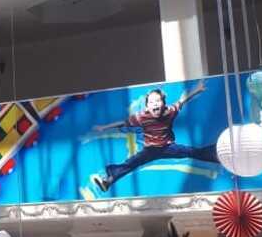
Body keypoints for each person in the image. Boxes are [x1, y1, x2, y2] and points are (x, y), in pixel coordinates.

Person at [90, 82, 219, 193]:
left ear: (163, 103)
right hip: (150, 150)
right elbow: (123, 123)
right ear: (147, 106)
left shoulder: (169, 111)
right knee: (130, 164)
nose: (155, 104)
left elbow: (182, 101)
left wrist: (197, 90)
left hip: (168, 147)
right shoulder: (141, 117)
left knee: (193, 152)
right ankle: (108, 182)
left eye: (158, 101)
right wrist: (104, 127)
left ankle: (216, 153)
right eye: (152, 102)